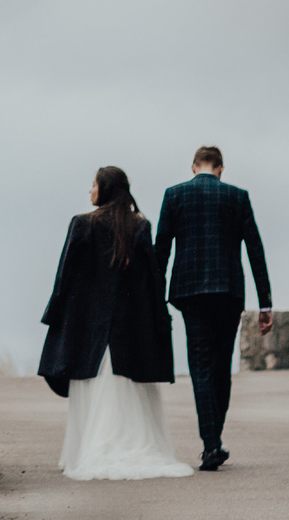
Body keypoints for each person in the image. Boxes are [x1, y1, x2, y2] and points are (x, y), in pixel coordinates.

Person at [36, 165, 191, 480]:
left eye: (92, 184)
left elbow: (63, 277)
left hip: (88, 330)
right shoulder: (140, 226)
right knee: (127, 393)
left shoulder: (82, 224)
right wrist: (158, 323)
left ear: (104, 189)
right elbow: (152, 280)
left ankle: (89, 453)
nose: (89, 191)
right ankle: (130, 449)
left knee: (94, 394)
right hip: (128, 331)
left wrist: (54, 315)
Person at [152, 145, 272, 472]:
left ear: (193, 167)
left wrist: (153, 296)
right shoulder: (237, 196)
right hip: (229, 291)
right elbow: (255, 250)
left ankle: (211, 445)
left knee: (200, 367)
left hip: (190, 294)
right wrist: (266, 302)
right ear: (221, 168)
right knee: (221, 367)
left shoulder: (174, 195)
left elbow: (160, 249)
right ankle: (214, 441)